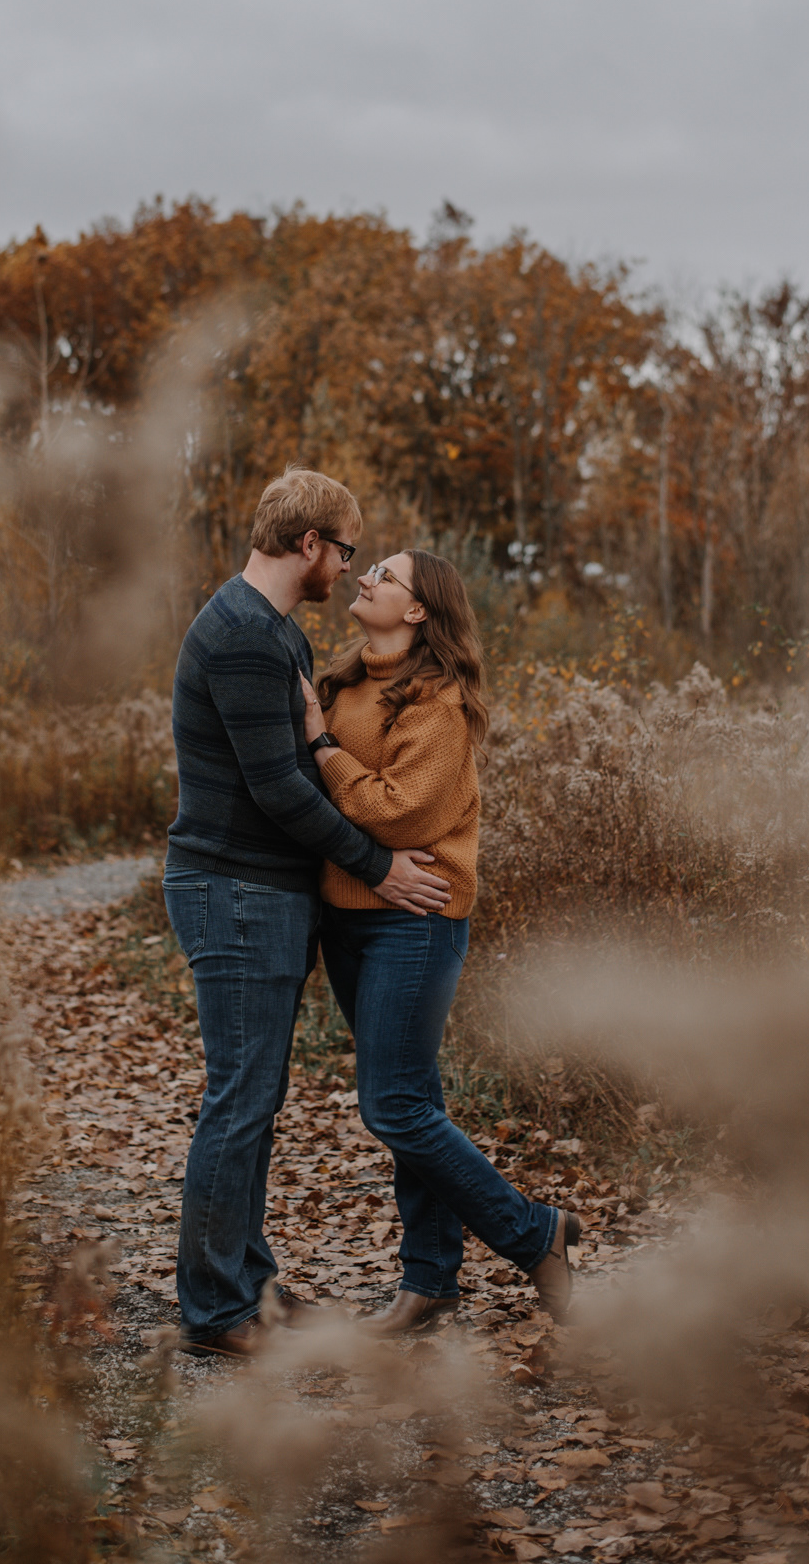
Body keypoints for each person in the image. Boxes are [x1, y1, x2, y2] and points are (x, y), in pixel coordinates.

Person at [164, 469, 446, 1358]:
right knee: (240, 1100)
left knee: (255, 1098)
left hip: (262, 895)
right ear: (310, 544)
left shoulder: (273, 630)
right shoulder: (246, 637)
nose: (349, 570)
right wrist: (379, 867)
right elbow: (279, 789)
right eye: (346, 551)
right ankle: (217, 1312)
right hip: (234, 891)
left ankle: (248, 1286)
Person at [299, 549, 581, 1333]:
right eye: (369, 569)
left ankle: (534, 1232)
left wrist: (322, 747)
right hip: (347, 915)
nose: (364, 578)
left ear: (418, 610)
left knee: (391, 1105)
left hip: (415, 920)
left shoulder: (436, 703)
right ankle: (429, 1281)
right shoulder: (342, 682)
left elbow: (401, 814)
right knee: (411, 1100)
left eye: (385, 576)